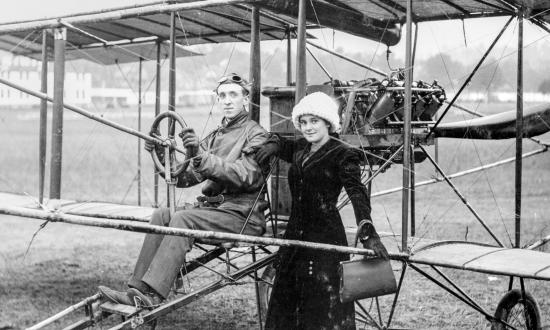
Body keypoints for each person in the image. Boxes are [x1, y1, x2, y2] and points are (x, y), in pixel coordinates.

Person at [98, 73, 269, 306]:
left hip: (242, 215)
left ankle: (153, 295)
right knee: (162, 214)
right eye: (222, 96)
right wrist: (160, 152)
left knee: (183, 219)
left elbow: (245, 176)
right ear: (217, 101)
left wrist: (200, 155)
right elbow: (185, 177)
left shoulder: (256, 134)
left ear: (245, 100)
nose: (227, 101)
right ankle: (135, 290)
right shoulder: (216, 135)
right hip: (217, 211)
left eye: (233, 95)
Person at [254, 91, 389, 330]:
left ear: (328, 122)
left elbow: (357, 193)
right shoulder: (300, 149)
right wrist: (274, 142)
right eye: (303, 122)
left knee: (323, 312)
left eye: (314, 121)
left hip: (325, 240)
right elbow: (283, 142)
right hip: (294, 240)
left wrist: (367, 230)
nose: (308, 128)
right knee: (285, 307)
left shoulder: (343, 153)